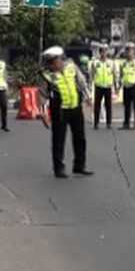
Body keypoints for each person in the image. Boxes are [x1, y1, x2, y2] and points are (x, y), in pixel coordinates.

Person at [37, 46, 92, 178]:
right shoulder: (46, 74)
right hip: (59, 110)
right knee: (58, 139)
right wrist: (43, 113)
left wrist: (88, 97)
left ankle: (79, 166)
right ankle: (58, 168)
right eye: (49, 63)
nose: (51, 65)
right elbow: (43, 95)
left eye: (53, 62)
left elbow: (81, 82)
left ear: (59, 59)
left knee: (80, 138)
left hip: (75, 107)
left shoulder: (71, 66)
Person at [90, 45, 118, 129]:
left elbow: (114, 74)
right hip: (98, 86)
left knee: (108, 105)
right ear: (99, 52)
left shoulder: (111, 63)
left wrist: (116, 86)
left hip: (108, 86)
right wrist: (90, 84)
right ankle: (96, 123)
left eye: (105, 51)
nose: (104, 53)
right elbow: (92, 74)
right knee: (97, 105)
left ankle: (109, 123)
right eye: (102, 51)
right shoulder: (95, 63)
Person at [119, 43, 135, 129]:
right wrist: (119, 85)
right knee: (126, 106)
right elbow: (121, 74)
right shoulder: (123, 63)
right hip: (126, 86)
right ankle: (126, 123)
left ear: (134, 52)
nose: (128, 52)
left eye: (130, 50)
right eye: (127, 50)